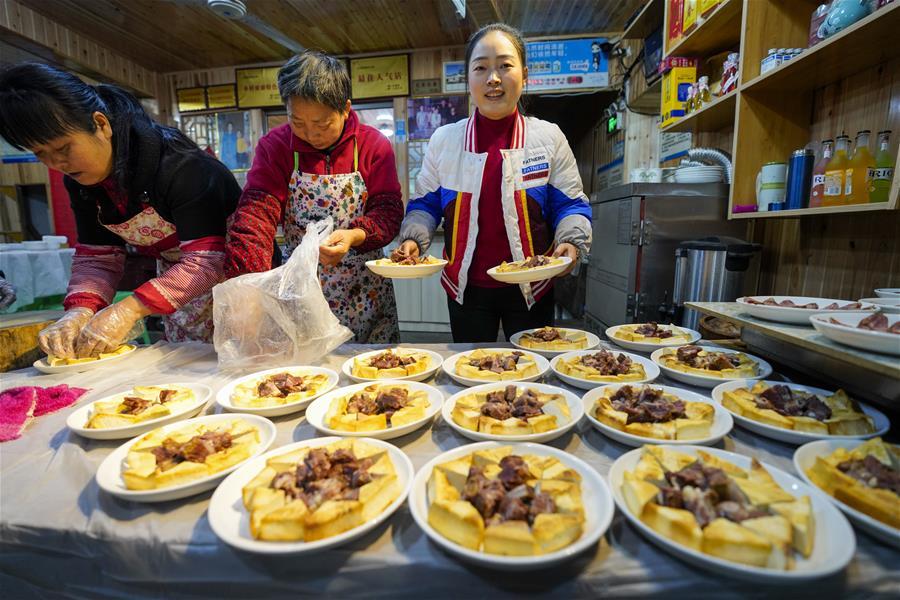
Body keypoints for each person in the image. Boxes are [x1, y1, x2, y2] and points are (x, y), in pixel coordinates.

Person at [0, 63, 240, 357]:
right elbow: (98, 256)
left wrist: (129, 309)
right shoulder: (82, 183)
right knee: (188, 362)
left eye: (63, 148)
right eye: (41, 153)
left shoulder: (181, 166)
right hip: (178, 280)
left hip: (234, 273)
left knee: (244, 360)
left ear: (101, 124)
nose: (56, 163)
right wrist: (80, 309)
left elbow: (206, 262)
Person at [396, 23, 592, 343]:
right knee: (471, 368)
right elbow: (425, 205)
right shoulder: (445, 140)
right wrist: (413, 239)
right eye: (481, 68)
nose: (493, 78)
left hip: (533, 286)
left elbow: (569, 204)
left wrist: (571, 240)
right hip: (466, 289)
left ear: (524, 75)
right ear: (468, 79)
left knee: (533, 366)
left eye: (504, 65)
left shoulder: (548, 137)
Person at [224, 50, 403, 343]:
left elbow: (388, 212)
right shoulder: (275, 147)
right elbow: (255, 218)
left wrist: (354, 236)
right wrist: (247, 287)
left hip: (365, 290)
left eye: (322, 124)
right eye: (298, 122)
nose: (310, 134)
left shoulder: (373, 145)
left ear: (345, 109)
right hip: (301, 288)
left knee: (375, 366)